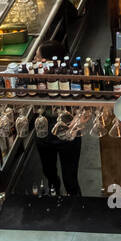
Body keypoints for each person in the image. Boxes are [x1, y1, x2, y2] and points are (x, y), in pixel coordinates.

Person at [32, 41, 82, 196]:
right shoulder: (34, 77)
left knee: (70, 180)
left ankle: (76, 210)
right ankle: (55, 198)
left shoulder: (71, 79)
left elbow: (85, 109)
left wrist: (78, 121)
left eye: (38, 57)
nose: (34, 60)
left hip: (68, 134)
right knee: (49, 173)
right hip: (44, 132)